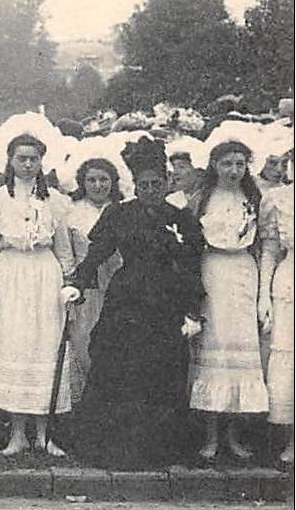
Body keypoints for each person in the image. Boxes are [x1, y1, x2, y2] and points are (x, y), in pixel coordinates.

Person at [64, 137, 206, 469]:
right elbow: (96, 255)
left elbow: (191, 266)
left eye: (158, 183)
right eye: (144, 185)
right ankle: (115, 450)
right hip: (127, 299)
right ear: (136, 186)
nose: (151, 190)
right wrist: (78, 284)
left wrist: (192, 310)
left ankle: (159, 451)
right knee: (119, 370)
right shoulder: (119, 214)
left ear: (167, 183)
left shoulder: (181, 218)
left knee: (162, 371)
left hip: (166, 301)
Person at [0, 132, 77, 456]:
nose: (28, 164)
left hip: (44, 277)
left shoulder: (56, 202)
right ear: (10, 160)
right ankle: (17, 433)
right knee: (16, 347)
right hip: (10, 276)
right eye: (22, 158)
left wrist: (68, 285)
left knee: (44, 349)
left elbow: (64, 250)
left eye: (34, 158)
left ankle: (45, 434)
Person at [187, 140, 269, 458]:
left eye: (239, 164)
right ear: (214, 166)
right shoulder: (202, 199)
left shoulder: (255, 198)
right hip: (213, 272)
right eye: (227, 164)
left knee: (241, 353)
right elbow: (191, 244)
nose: (234, 171)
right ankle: (210, 437)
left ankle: (233, 436)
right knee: (214, 351)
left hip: (244, 274)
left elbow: (262, 245)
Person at [65, 156, 123, 404]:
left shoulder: (123, 209)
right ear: (82, 183)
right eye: (92, 180)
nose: (98, 185)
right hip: (86, 290)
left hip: (120, 287)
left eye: (103, 180)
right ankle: (85, 407)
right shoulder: (72, 212)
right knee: (84, 344)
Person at [259, 177, 294, 463]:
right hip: (290, 283)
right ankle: (293, 440)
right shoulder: (279, 198)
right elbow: (269, 252)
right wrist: (264, 297)